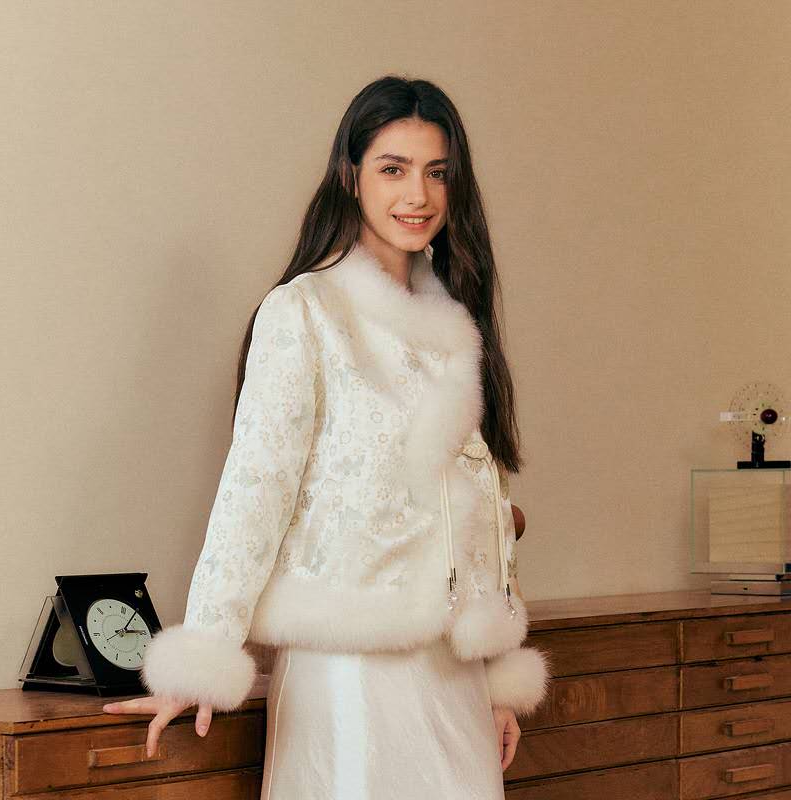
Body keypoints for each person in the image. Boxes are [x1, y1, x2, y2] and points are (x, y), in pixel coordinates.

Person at [102, 74, 550, 798]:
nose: (419, 195)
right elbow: (255, 490)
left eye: (437, 173)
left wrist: (498, 680)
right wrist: (204, 655)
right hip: (348, 670)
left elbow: (481, 512)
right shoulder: (304, 313)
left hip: (453, 677)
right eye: (393, 169)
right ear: (351, 175)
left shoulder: (454, 329)